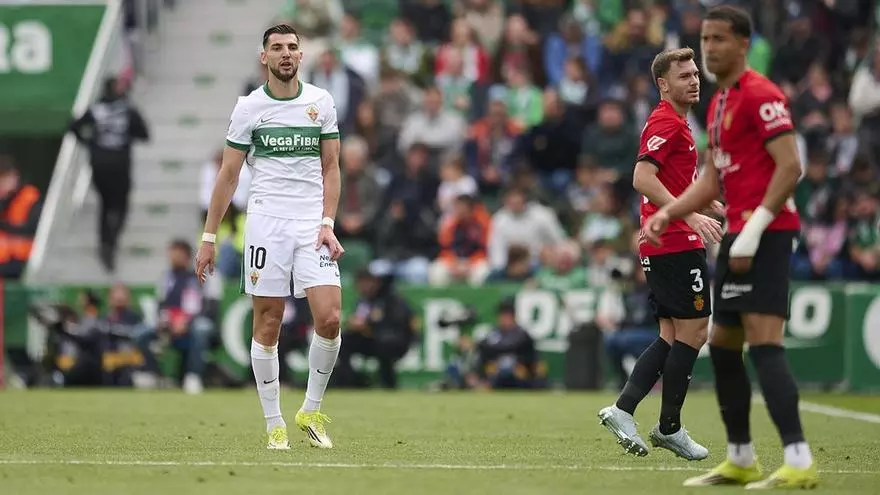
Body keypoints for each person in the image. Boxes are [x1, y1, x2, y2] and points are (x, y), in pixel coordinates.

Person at [643, 6, 819, 489]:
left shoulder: (763, 94)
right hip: (739, 232)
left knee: (763, 345)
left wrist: (758, 228)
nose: (710, 48)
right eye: (705, 39)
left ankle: (799, 460)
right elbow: (711, 181)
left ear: (743, 44)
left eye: (719, 39)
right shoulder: (720, 105)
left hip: (767, 231)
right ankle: (741, 458)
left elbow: (790, 167)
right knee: (720, 346)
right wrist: (669, 213)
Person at [196, 24, 344, 451]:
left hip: (311, 224)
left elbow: (331, 168)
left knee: (330, 319)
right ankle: (274, 423)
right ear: (264, 57)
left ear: (301, 56)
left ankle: (310, 410)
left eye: (292, 48)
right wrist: (209, 237)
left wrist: (328, 223)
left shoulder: (321, 102)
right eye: (277, 48)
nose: (286, 54)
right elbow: (228, 175)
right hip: (266, 224)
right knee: (268, 323)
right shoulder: (249, 108)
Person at [598, 48, 722, 461]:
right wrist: (687, 217)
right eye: (683, 75)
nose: (694, 80)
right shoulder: (666, 121)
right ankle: (668, 426)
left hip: (666, 238)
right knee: (694, 332)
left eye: (694, 73)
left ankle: (624, 409)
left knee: (672, 334)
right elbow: (642, 177)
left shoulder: (679, 124)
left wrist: (707, 207)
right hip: (673, 241)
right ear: (663, 85)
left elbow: (670, 183)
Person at [68, 76, 150, 272]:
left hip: (99, 164)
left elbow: (72, 127)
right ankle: (111, 241)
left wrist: (91, 143)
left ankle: (105, 243)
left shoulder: (96, 109)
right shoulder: (127, 109)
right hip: (120, 165)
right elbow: (145, 134)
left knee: (105, 205)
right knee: (121, 205)